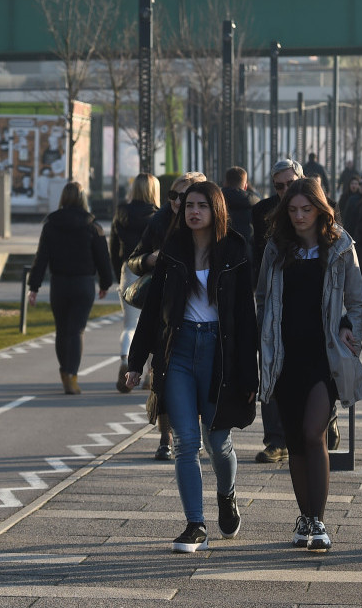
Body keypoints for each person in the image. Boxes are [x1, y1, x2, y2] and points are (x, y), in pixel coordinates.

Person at [124, 180, 259, 553]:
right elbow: (153, 312)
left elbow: (246, 319)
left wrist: (250, 374)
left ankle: (226, 494)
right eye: (188, 206)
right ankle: (194, 524)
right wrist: (137, 363)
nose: (193, 212)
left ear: (215, 209)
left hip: (220, 352)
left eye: (201, 205)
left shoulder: (235, 249)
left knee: (218, 441)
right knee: (186, 442)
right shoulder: (173, 249)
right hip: (179, 351)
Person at [256, 178, 362, 552]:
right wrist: (265, 339)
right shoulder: (276, 249)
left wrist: (350, 330)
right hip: (284, 356)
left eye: (307, 209)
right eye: (293, 210)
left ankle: (318, 521)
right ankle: (304, 518)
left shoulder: (339, 246)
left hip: (325, 356)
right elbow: (263, 298)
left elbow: (356, 300)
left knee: (311, 433)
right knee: (293, 439)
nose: (300, 216)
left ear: (320, 209)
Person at [127, 171, 208, 460]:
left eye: (184, 196)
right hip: (163, 312)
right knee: (162, 376)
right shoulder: (158, 221)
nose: (177, 201)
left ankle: (191, 434)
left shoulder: (213, 228)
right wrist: (149, 259)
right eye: (173, 195)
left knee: (194, 381)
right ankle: (165, 437)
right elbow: (134, 259)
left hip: (199, 316)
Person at [28, 181, 114, 395]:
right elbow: (103, 258)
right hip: (83, 283)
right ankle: (72, 376)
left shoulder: (51, 224)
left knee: (62, 330)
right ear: (83, 198)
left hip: (59, 282)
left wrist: (34, 286)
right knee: (77, 330)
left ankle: (64, 372)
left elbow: (41, 258)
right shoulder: (93, 226)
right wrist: (105, 283)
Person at [249, 159, 303, 464]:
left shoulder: (317, 207)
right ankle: (276, 439)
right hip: (271, 301)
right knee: (269, 369)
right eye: (279, 186)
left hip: (306, 304)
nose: (284, 191)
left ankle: (322, 422)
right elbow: (259, 257)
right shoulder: (263, 211)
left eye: (290, 184)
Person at [110, 172, 161, 392]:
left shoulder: (121, 213)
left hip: (128, 269)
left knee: (130, 325)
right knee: (153, 322)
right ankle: (150, 374)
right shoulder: (158, 216)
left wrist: (116, 273)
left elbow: (113, 246)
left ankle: (124, 360)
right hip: (152, 270)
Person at [221, 166, 261, 249]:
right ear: (245, 186)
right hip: (248, 253)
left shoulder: (215, 202)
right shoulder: (256, 204)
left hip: (221, 250)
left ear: (225, 183)